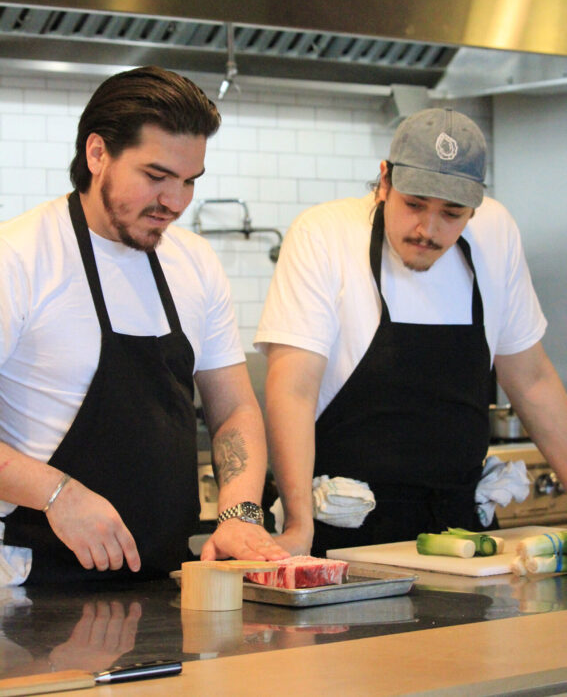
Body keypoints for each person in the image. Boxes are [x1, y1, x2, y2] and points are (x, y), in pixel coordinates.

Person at [0, 65, 288, 583]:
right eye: (156, 177)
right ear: (97, 154)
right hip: (31, 587)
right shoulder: (18, 258)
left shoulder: (195, 263)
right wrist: (57, 493)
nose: (174, 202)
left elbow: (234, 409)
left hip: (164, 582)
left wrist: (239, 513)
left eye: (188, 182)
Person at [255, 107, 567, 557]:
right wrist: (300, 525)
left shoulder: (496, 233)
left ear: (476, 206)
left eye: (452, 213)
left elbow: (533, 380)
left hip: (460, 537)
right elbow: (293, 390)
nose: (428, 229)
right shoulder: (325, 234)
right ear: (385, 181)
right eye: (414, 204)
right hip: (345, 532)